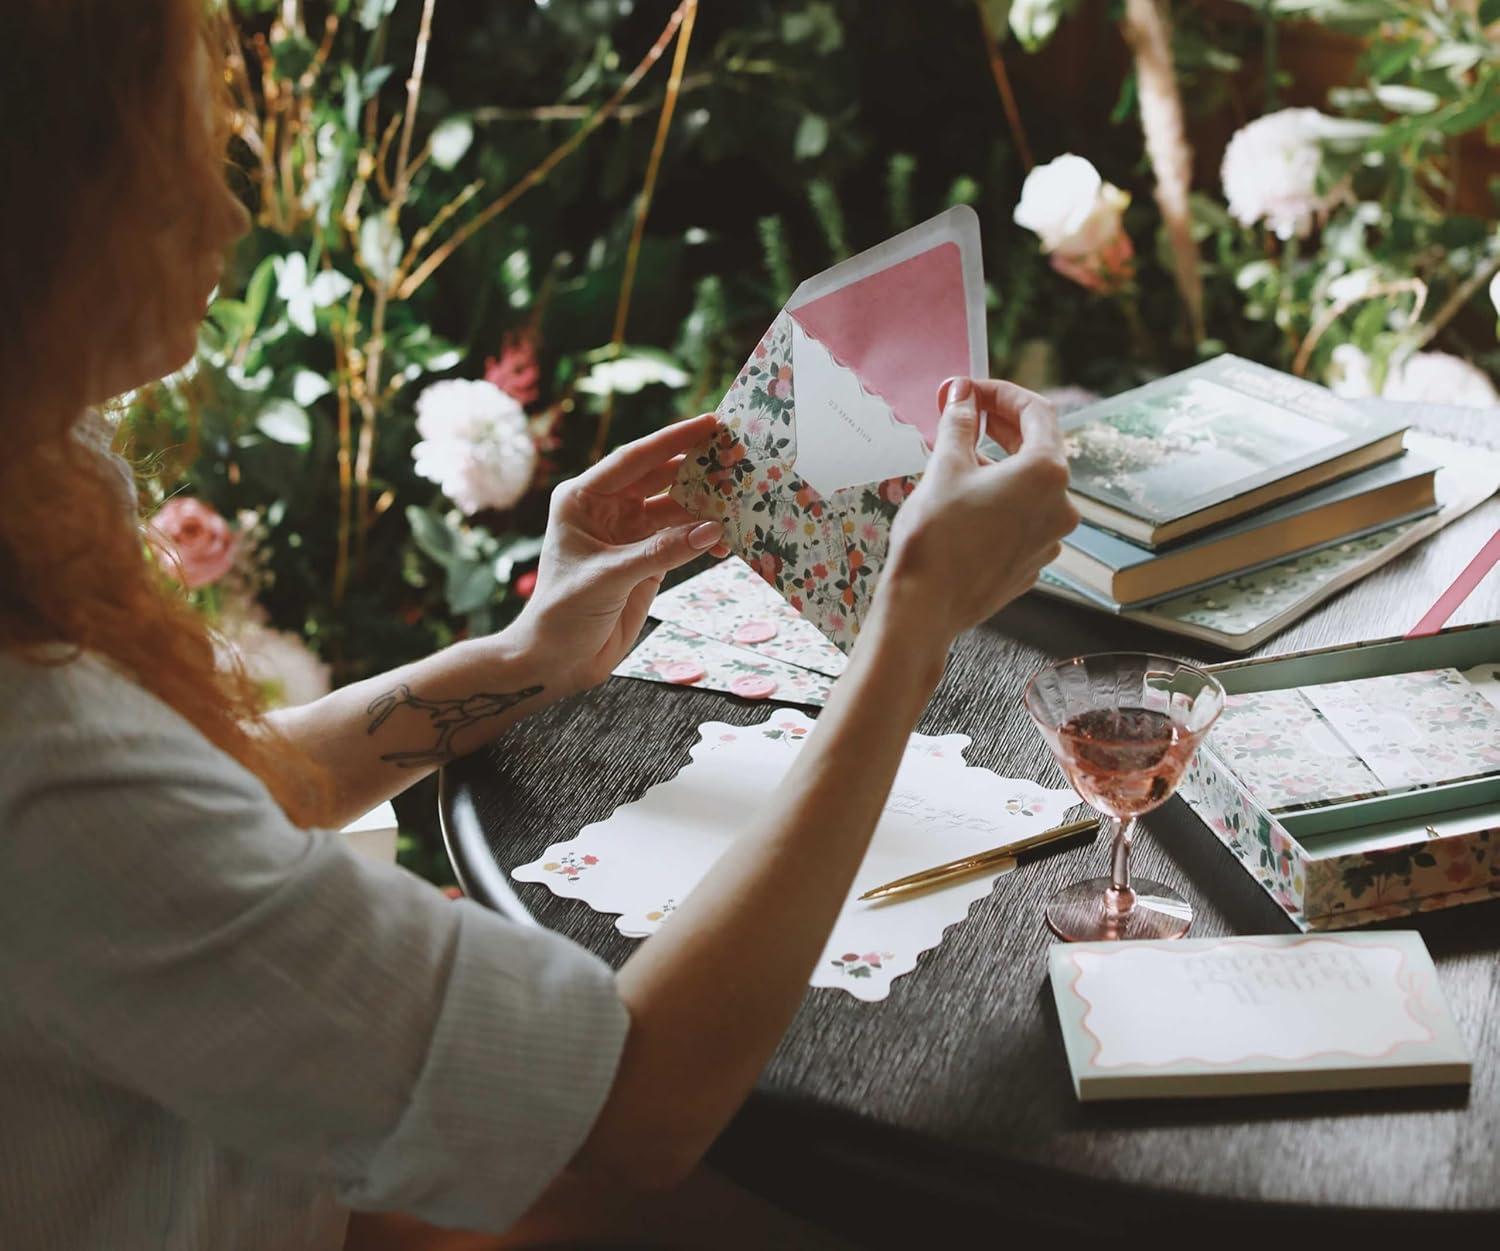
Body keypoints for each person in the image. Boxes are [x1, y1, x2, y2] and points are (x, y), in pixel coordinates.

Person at [0, 3, 1078, 1248]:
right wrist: (910, 630)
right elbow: (623, 1119)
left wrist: (523, 660)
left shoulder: (42, 468)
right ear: (41, 216)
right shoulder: (46, 762)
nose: (229, 214)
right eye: (179, 160)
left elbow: (200, 796)